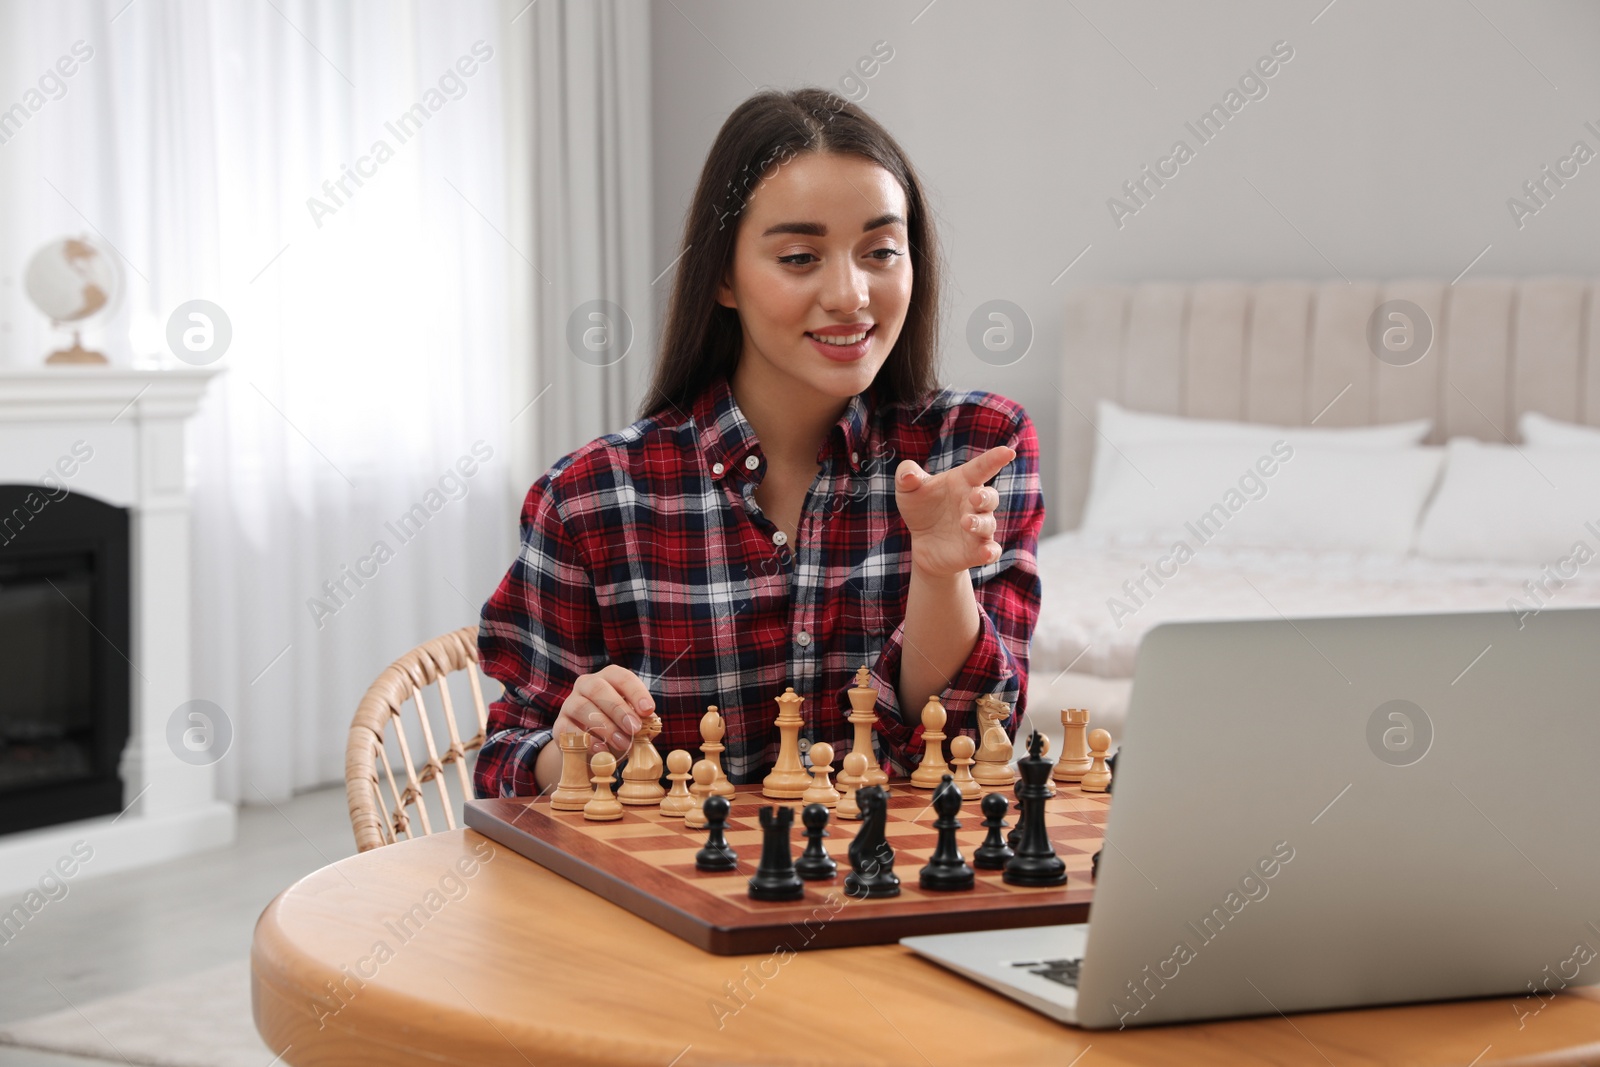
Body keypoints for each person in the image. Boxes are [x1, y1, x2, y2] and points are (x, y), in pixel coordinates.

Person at [472, 87, 1044, 799]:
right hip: (669, 908)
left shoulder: (978, 449)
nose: (851, 294)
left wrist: (938, 572)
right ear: (723, 276)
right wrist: (572, 747)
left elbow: (970, 740)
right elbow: (501, 767)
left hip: (896, 901)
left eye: (881, 252)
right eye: (801, 256)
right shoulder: (590, 499)